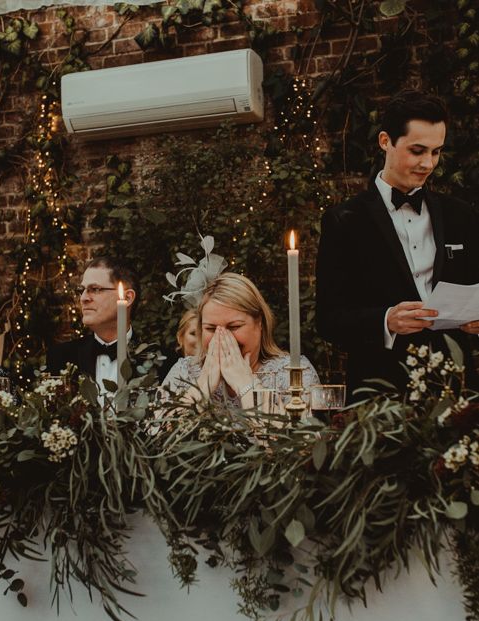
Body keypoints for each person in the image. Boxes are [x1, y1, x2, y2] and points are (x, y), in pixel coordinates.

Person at [316, 90, 479, 397]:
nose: (428, 163)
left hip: (455, 388)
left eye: (436, 152)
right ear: (385, 141)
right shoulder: (344, 221)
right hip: (380, 391)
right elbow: (328, 319)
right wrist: (386, 320)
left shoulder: (461, 215)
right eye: (417, 151)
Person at [162, 273, 319, 409]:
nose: (221, 337)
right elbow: (159, 436)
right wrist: (204, 385)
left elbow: (300, 440)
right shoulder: (184, 371)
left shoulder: (294, 373)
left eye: (234, 327)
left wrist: (245, 384)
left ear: (260, 324)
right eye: (210, 328)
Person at [47, 256, 169, 398]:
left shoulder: (162, 363)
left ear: (127, 298)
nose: (83, 298)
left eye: (95, 289)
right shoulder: (61, 357)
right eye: (82, 290)